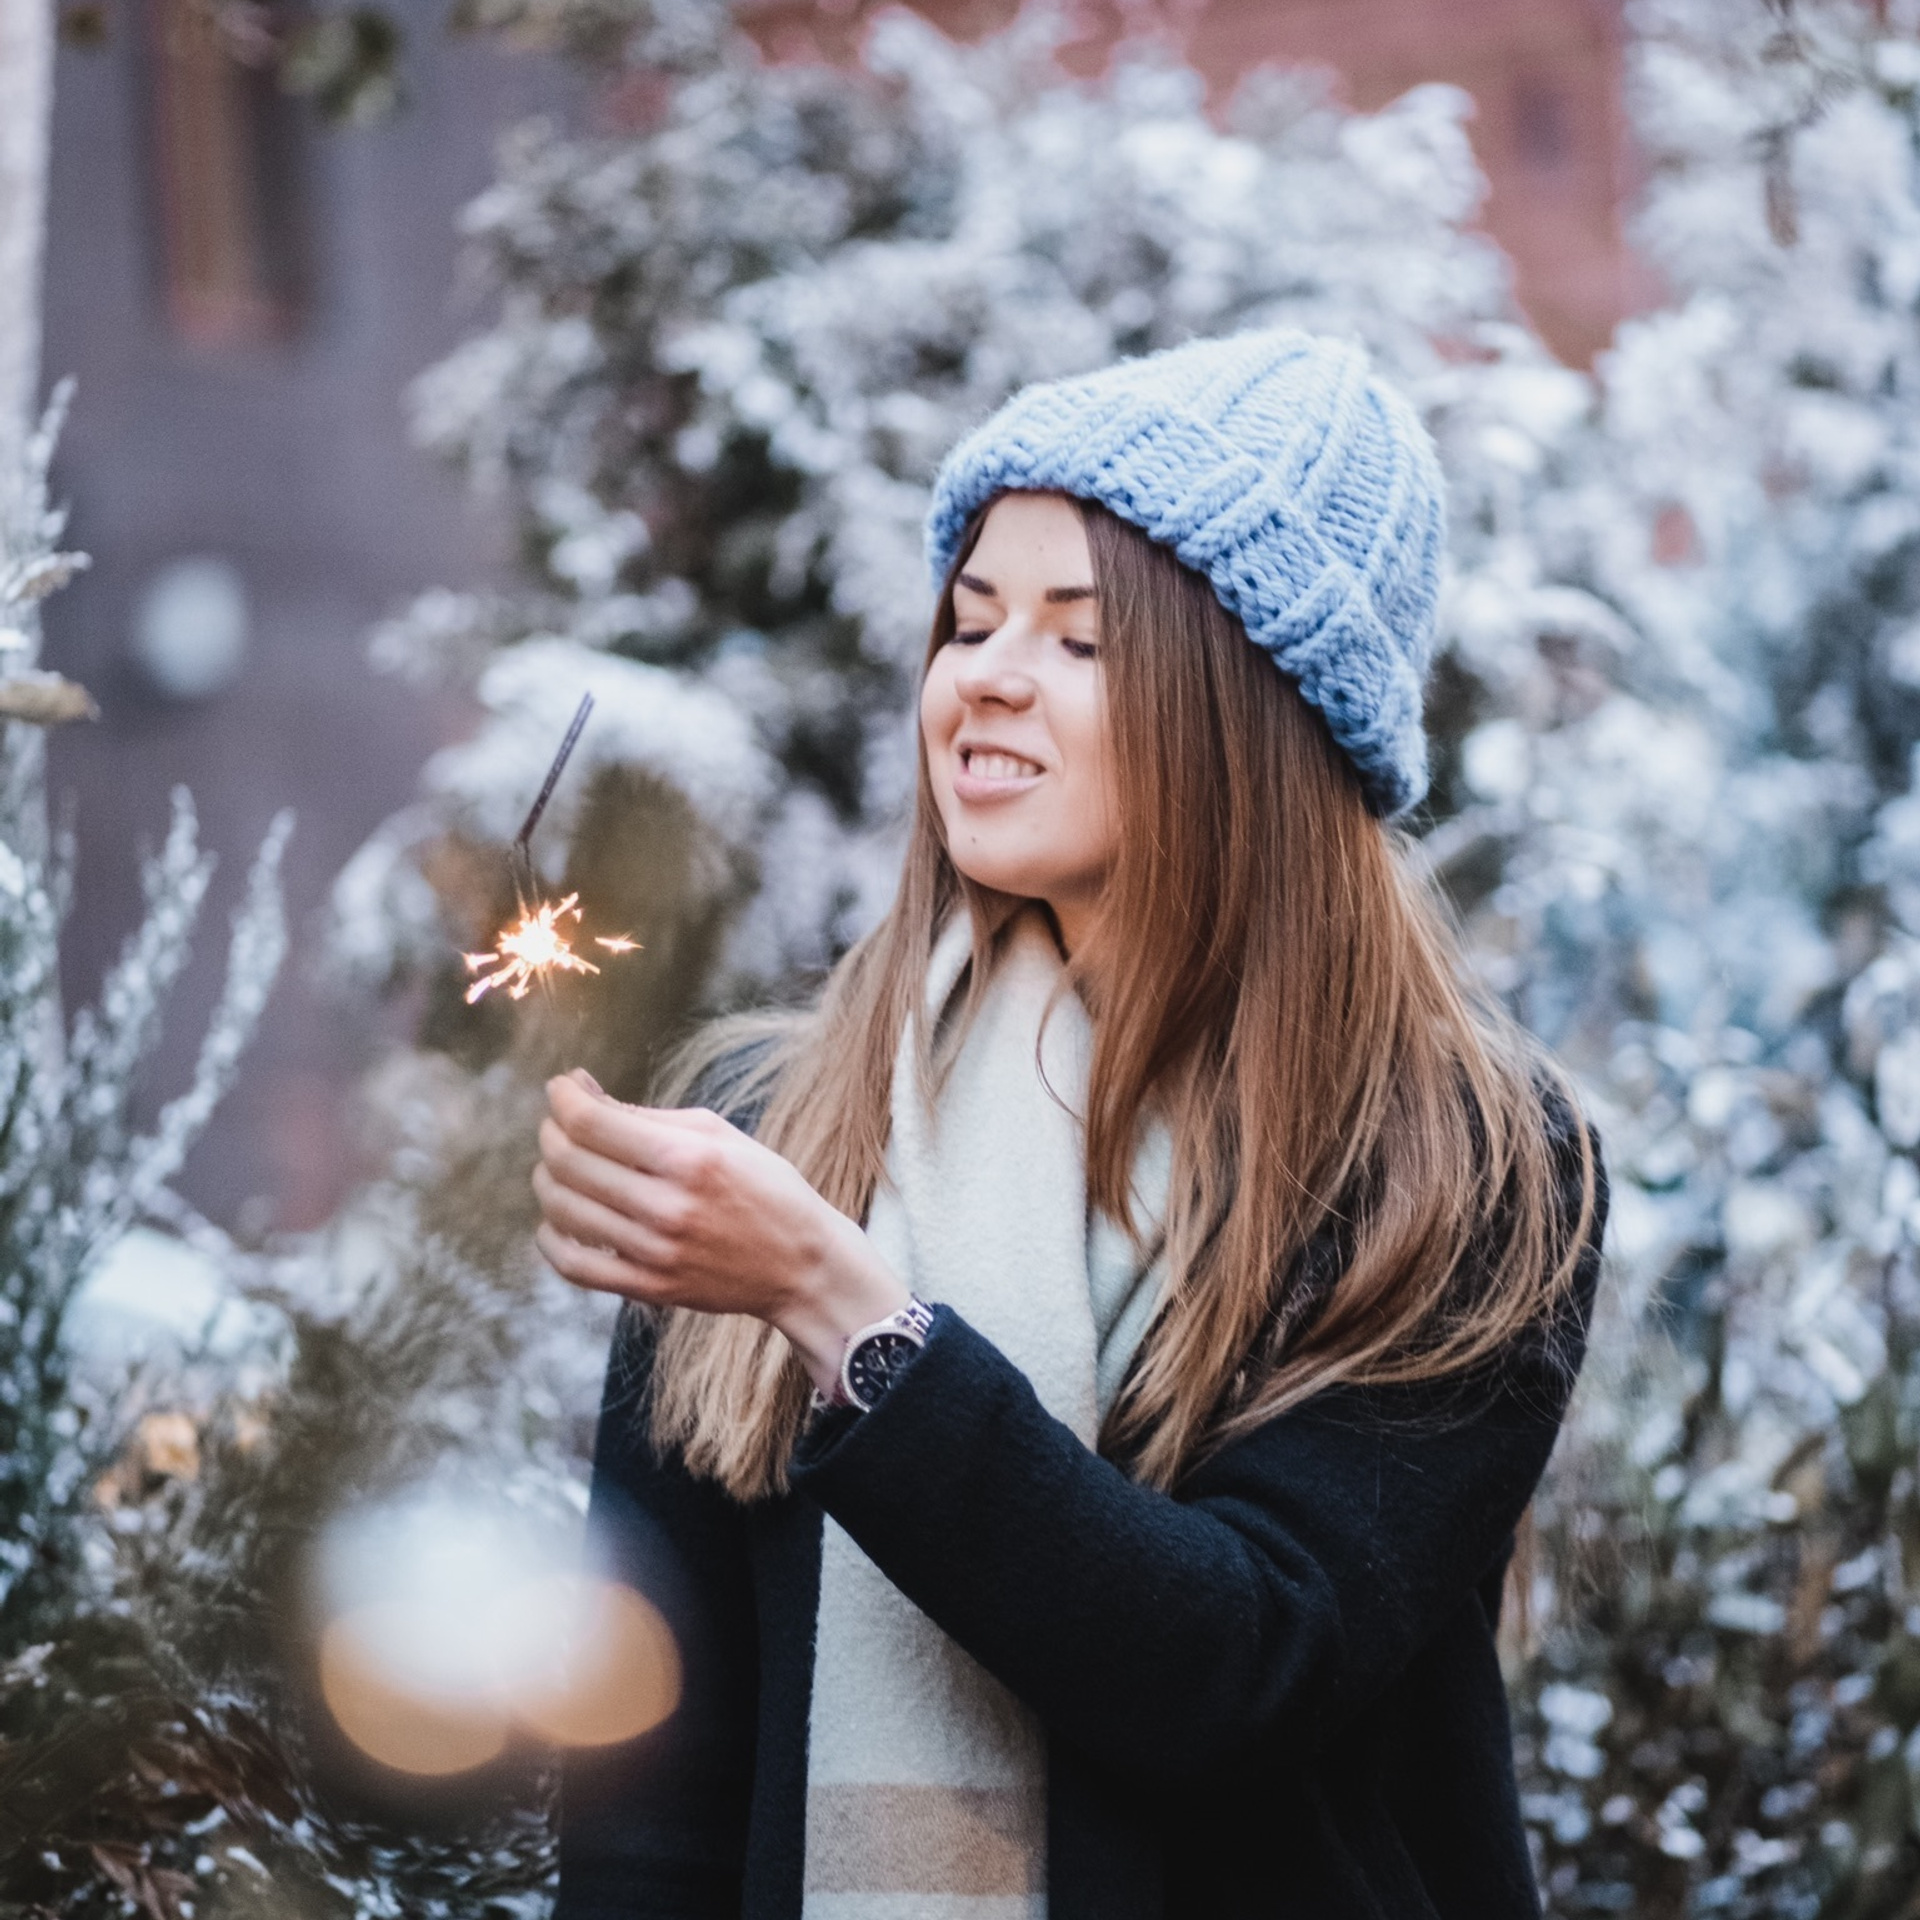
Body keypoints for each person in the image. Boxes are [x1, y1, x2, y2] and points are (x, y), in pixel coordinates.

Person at [532, 328, 1607, 1920]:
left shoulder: (1461, 1165)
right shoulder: (774, 1130)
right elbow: (653, 1802)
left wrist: (846, 1318)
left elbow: (1236, 1667)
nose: (983, 678)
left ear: (1251, 706)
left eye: (1081, 640)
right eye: (968, 623)